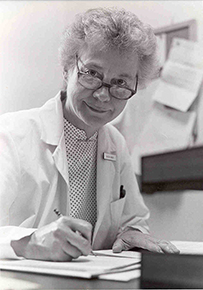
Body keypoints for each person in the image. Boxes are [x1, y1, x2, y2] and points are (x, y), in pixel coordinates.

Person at [0, 7, 179, 261]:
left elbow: (135, 219)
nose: (103, 95)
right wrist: (29, 242)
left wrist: (132, 233)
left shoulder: (116, 143)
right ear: (67, 69)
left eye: (120, 83)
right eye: (92, 74)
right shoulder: (10, 134)